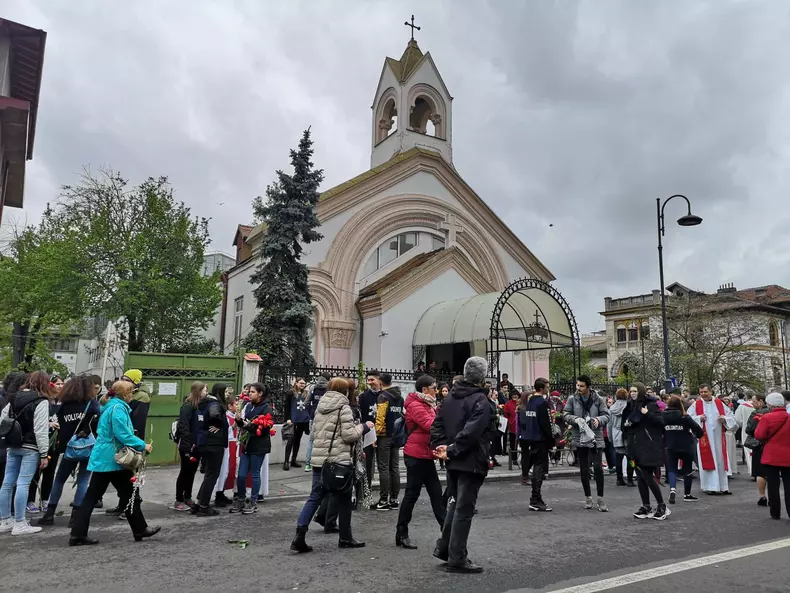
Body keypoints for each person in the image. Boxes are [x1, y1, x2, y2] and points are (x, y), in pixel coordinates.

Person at [68, 381, 158, 546]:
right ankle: (140, 529)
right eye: (131, 392)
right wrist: (143, 445)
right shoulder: (118, 409)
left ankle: (78, 533)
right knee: (129, 494)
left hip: (104, 457)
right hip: (114, 458)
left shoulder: (110, 406)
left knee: (95, 497)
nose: (132, 395)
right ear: (125, 394)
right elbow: (122, 434)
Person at [291, 378, 373, 553]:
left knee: (315, 497)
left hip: (319, 459)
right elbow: (349, 435)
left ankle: (300, 534)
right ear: (345, 391)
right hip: (338, 460)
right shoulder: (344, 408)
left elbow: (313, 435)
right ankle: (345, 537)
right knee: (344, 499)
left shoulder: (320, 406)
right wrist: (364, 427)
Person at [430, 356, 494, 574]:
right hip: (471, 459)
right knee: (464, 508)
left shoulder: (449, 398)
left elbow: (437, 425)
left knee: (454, 504)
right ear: (482, 376)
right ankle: (457, 557)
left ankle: (444, 548)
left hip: (452, 459)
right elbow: (472, 433)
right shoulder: (481, 401)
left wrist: (442, 448)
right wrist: (451, 449)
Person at [38, 376, 101, 527]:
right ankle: (76, 516)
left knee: (59, 480)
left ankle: (49, 514)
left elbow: (61, 427)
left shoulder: (64, 405)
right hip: (88, 447)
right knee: (83, 480)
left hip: (69, 448)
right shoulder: (92, 404)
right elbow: (97, 425)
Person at [395, 375, 446, 550]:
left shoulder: (428, 404)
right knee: (411, 495)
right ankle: (401, 533)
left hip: (425, 454)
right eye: (433, 387)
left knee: (436, 494)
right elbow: (430, 425)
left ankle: (447, 532)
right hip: (415, 456)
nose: (436, 390)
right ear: (424, 389)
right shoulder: (416, 405)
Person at [0, 371, 51, 535]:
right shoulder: (41, 401)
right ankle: (20, 522)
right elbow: (41, 430)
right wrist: (44, 453)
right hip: (31, 447)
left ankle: (5, 520)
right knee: (23, 483)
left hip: (13, 444)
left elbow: (3, 418)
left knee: (7, 483)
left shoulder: (14, 397)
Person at [562, 375, 610, 512]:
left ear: (588, 387)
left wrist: (598, 420)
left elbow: (606, 415)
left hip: (595, 437)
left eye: (582, 386)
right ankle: (588, 497)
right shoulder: (572, 399)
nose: (579, 388)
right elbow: (565, 414)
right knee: (584, 468)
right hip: (580, 437)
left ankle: (600, 498)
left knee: (598, 468)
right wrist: (576, 419)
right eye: (577, 385)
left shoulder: (598, 399)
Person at [623, 383, 668, 520]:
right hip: (633, 447)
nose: (632, 393)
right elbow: (624, 425)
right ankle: (646, 506)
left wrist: (647, 414)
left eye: (635, 391)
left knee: (647, 476)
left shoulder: (650, 405)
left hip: (647, 446)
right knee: (639, 477)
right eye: (630, 391)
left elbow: (661, 422)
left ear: (641, 391)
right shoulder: (629, 406)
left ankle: (662, 506)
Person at [231, 382, 272, 514]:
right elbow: (243, 424)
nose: (250, 394)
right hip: (246, 444)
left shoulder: (266, 408)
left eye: (253, 392)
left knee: (255, 473)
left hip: (259, 446)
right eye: (249, 392)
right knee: (241, 475)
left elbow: (265, 428)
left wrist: (248, 425)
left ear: (260, 393)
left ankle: (253, 501)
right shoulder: (248, 406)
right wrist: (238, 421)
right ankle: (241, 499)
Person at [689, 384, 736, 494]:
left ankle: (723, 486)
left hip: (719, 437)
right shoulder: (696, 405)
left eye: (705, 392)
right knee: (708, 461)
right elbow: (689, 418)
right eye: (701, 392)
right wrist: (699, 418)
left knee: (720, 460)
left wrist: (724, 419)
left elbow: (731, 417)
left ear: (711, 392)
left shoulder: (720, 404)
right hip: (705, 438)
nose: (703, 394)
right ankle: (710, 487)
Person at [192, 383, 229, 516]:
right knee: (212, 475)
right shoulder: (214, 404)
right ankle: (204, 506)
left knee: (208, 475)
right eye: (225, 392)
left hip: (204, 442)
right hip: (214, 443)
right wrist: (220, 425)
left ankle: (198, 503)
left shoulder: (204, 403)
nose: (227, 395)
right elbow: (215, 415)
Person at [518, 378, 554, 511]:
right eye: (547, 386)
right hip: (540, 439)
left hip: (531, 438)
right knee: (539, 469)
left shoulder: (530, 401)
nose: (548, 388)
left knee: (536, 468)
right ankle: (535, 498)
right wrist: (551, 440)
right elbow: (546, 423)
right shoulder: (542, 403)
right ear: (541, 388)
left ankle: (536, 498)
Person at [754, 392, 790, 520]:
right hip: (788, 456)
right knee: (788, 485)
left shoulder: (767, 418)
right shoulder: (788, 416)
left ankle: (775, 513)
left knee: (773, 486)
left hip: (771, 456)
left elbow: (759, 435)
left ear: (770, 405)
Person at [171, 382, 206, 511]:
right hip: (187, 446)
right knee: (185, 472)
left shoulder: (200, 407)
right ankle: (178, 499)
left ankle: (188, 497)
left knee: (191, 472)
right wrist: (187, 446)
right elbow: (184, 427)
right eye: (204, 390)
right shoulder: (187, 407)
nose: (206, 393)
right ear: (198, 391)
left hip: (196, 446)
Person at [663, 394, 704, 504]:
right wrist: (698, 435)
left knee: (672, 469)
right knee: (687, 469)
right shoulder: (684, 417)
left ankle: (672, 490)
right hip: (686, 445)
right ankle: (687, 494)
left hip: (670, 445)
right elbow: (697, 429)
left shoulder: (663, 416)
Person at [374, 372, 404, 510]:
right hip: (396, 435)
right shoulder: (400, 397)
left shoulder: (383, 396)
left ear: (381, 382)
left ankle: (383, 499)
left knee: (383, 468)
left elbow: (380, 417)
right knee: (395, 467)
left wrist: (377, 434)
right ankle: (394, 499)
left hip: (385, 436)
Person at [744, 395, 769, 506]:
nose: (752, 404)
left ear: (760, 401)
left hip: (759, 444)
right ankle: (774, 495)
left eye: (754, 401)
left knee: (760, 473)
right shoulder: (774, 413)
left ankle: (762, 496)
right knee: (772, 473)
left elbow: (749, 429)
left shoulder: (756, 414)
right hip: (773, 445)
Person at [215, 394, 240, 506]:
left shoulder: (234, 416)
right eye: (236, 404)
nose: (238, 406)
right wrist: (235, 425)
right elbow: (226, 431)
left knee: (231, 470)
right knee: (224, 470)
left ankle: (223, 492)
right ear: (229, 406)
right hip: (228, 444)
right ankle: (218, 493)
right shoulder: (226, 417)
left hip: (234, 443)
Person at [304, 373, 330, 472]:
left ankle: (308, 464)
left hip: (314, 417)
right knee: (325, 440)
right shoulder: (330, 389)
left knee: (312, 440)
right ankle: (323, 463)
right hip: (326, 417)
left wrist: (311, 412)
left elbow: (306, 403)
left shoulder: (313, 388)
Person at [358, 371, 380, 486]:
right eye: (368, 380)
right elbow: (361, 415)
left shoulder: (384, 395)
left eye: (372, 380)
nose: (370, 382)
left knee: (383, 465)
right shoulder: (363, 396)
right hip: (368, 434)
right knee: (368, 464)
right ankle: (367, 488)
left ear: (379, 380)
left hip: (382, 433)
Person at [283, 378, 310, 470]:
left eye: (304, 383)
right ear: (296, 383)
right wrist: (288, 418)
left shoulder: (306, 393)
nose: (302, 385)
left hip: (302, 420)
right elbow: (287, 406)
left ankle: (294, 460)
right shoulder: (291, 393)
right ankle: (286, 461)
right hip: (293, 420)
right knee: (290, 440)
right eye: (301, 383)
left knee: (297, 441)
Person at [609, 388, 633, 487]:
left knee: (619, 457)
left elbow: (609, 424)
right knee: (630, 458)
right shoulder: (629, 407)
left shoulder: (612, 408)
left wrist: (610, 437)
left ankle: (619, 478)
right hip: (627, 433)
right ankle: (630, 479)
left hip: (616, 433)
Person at [121, 369, 151, 439]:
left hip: (131, 435)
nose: (123, 382)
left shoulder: (142, 396)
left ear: (135, 382)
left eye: (127, 380)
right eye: (122, 379)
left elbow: (138, 421)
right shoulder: (123, 393)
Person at [502, 388, 519, 466]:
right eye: (513, 395)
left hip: (520, 426)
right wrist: (510, 422)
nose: (515, 396)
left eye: (516, 395)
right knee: (513, 443)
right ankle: (514, 458)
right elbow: (506, 415)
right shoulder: (508, 404)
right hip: (512, 426)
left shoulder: (521, 403)